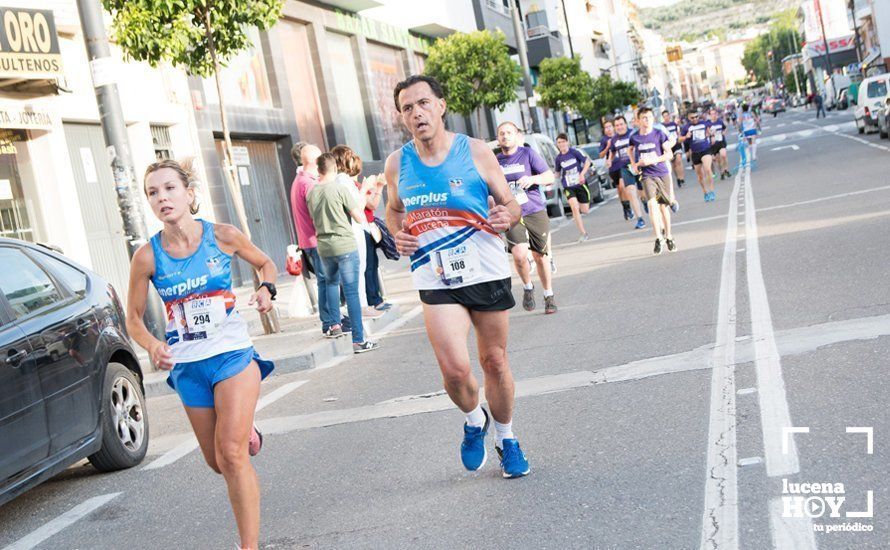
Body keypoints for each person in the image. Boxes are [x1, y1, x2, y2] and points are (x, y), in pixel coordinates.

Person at [384, 74, 530, 478]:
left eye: (423, 103)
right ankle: (473, 420)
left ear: (441, 106)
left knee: (494, 361)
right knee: (454, 369)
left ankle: (506, 437)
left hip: (485, 268)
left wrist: (507, 215)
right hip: (436, 275)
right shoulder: (398, 163)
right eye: (408, 108)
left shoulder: (476, 151)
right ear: (402, 116)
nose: (417, 113)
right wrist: (398, 233)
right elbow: (393, 209)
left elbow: (510, 203)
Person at [127, 159, 275, 550]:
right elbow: (133, 319)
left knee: (231, 454)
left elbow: (266, 264)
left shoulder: (222, 236)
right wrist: (152, 345)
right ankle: (246, 430)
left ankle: (249, 546)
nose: (162, 198)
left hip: (232, 355)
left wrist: (267, 290)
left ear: (189, 194)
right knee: (217, 462)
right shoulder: (147, 257)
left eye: (169, 189)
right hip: (188, 365)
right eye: (153, 192)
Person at [308, 153, 380, 353]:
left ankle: (335, 325)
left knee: (330, 284)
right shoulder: (339, 189)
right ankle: (359, 340)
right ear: (334, 169)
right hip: (345, 245)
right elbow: (358, 216)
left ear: (319, 169)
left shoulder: (311, 192)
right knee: (351, 293)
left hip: (323, 246)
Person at [495, 121, 557, 314]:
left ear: (517, 136)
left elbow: (549, 176)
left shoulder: (528, 154)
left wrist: (532, 179)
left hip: (533, 209)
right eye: (502, 133)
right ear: (498, 138)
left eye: (509, 132)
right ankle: (528, 287)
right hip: (511, 213)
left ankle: (548, 295)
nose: (505, 136)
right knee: (520, 256)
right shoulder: (494, 161)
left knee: (540, 256)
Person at [290, 143, 345, 339]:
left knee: (324, 281)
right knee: (327, 281)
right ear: (315, 161)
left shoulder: (300, 180)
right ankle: (331, 322)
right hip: (316, 240)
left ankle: (331, 321)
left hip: (309, 240)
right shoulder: (309, 183)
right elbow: (319, 214)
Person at [330, 145, 391, 317]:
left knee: (362, 267)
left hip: (357, 228)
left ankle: (364, 304)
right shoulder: (342, 180)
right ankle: (362, 306)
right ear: (344, 160)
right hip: (354, 229)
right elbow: (356, 206)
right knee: (358, 268)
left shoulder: (342, 180)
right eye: (350, 156)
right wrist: (364, 189)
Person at [630, 108, 677, 255]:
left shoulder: (659, 134)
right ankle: (658, 238)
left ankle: (669, 236)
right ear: (638, 121)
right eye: (644, 118)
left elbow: (669, 154)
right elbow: (630, 150)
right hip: (647, 175)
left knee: (663, 207)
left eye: (649, 117)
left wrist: (653, 159)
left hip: (662, 173)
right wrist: (634, 164)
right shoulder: (635, 137)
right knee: (651, 204)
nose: (647, 120)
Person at [608, 116, 646, 229]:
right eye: (617, 125)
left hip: (638, 165)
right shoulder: (614, 139)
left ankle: (644, 201)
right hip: (625, 167)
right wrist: (610, 160)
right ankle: (640, 219)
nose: (619, 127)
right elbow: (613, 152)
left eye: (621, 124)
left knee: (642, 193)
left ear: (626, 124)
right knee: (630, 191)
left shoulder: (633, 134)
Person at [554, 133, 592, 242]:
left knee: (585, 210)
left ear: (567, 142)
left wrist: (582, 174)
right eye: (559, 142)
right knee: (574, 207)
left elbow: (587, 162)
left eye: (563, 142)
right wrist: (548, 179)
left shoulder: (574, 152)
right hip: (568, 186)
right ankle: (583, 233)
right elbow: (557, 173)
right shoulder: (558, 158)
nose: (561, 144)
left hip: (580, 184)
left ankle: (582, 207)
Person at [600, 120, 632, 220]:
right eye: (606, 127)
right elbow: (601, 155)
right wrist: (608, 146)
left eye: (610, 126)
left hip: (623, 165)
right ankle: (625, 207)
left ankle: (629, 207)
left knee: (623, 187)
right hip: (613, 167)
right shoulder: (604, 140)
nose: (608, 129)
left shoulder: (619, 136)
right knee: (619, 189)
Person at [681, 111, 716, 202]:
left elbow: (710, 130)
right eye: (692, 117)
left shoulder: (704, 123)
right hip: (695, 153)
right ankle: (705, 192)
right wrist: (686, 137)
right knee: (700, 176)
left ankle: (712, 191)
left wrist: (712, 136)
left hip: (705, 150)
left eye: (696, 117)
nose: (695, 119)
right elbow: (680, 139)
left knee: (708, 169)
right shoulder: (686, 127)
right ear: (689, 118)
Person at [661, 110, 685, 188]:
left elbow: (678, 133)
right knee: (674, 164)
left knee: (679, 160)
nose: (666, 117)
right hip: (668, 146)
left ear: (669, 116)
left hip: (676, 143)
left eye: (667, 116)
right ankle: (678, 178)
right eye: (664, 116)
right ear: (663, 117)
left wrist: (680, 138)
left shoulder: (674, 124)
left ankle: (682, 178)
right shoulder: (662, 126)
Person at [708, 108, 731, 180]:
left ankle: (726, 169)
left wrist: (724, 132)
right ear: (709, 115)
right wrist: (711, 134)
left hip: (721, 141)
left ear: (716, 114)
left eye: (714, 114)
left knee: (723, 155)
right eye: (712, 114)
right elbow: (706, 133)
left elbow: (725, 128)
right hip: (713, 144)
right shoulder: (708, 124)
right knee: (717, 160)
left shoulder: (720, 121)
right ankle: (721, 172)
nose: (713, 115)